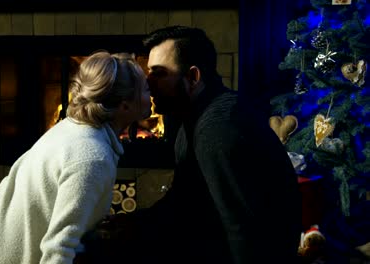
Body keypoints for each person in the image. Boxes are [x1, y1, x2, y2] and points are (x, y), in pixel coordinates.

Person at [127, 25, 302, 264]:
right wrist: (130, 223)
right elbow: (183, 199)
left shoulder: (219, 128)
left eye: (158, 73)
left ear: (192, 77)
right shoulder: (191, 116)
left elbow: (244, 230)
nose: (147, 83)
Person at [0, 51, 152, 264]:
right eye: (146, 89)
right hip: (1, 254)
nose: (151, 94)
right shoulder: (93, 158)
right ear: (125, 105)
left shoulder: (73, 125)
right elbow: (58, 248)